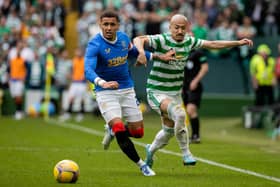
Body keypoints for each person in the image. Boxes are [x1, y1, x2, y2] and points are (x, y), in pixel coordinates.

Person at [133, 14, 253, 168]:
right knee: (181, 114)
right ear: (170, 27)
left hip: (174, 93)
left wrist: (237, 42)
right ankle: (186, 153)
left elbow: (213, 44)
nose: (180, 30)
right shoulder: (162, 39)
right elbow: (138, 39)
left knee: (169, 130)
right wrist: (142, 53)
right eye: (176, 27)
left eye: (183, 28)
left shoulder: (189, 41)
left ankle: (151, 150)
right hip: (157, 91)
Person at [84, 10, 156, 176]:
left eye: (112, 24)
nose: (108, 27)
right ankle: (142, 165)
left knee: (138, 132)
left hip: (126, 89)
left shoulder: (123, 38)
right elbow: (88, 70)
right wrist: (102, 82)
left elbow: (134, 53)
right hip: (105, 91)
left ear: (118, 25)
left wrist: (156, 56)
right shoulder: (95, 44)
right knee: (118, 126)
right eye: (105, 24)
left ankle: (113, 131)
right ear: (100, 25)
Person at [182, 49, 208, 144]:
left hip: (194, 86)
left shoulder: (198, 53)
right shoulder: (180, 51)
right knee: (185, 111)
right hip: (183, 86)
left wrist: (196, 80)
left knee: (191, 109)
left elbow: (205, 68)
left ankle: (196, 135)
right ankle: (193, 135)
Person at [59, 47, 87, 122]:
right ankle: (68, 113)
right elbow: (71, 70)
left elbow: (87, 70)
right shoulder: (74, 60)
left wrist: (84, 76)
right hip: (74, 82)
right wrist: (70, 75)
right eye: (77, 52)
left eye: (79, 51)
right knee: (71, 98)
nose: (78, 53)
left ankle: (81, 114)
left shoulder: (85, 60)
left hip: (82, 83)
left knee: (81, 99)